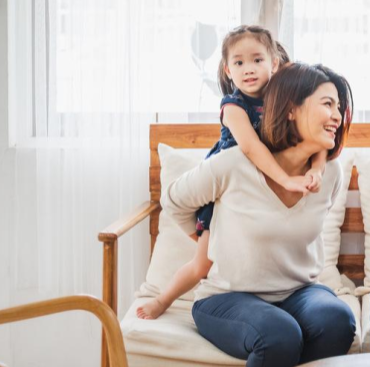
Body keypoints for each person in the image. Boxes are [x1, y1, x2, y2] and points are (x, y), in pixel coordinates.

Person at [159, 63, 356, 367]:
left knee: (338, 320)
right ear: (291, 110)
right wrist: (206, 239)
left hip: (297, 293)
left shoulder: (330, 172)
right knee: (278, 334)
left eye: (339, 107)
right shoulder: (234, 164)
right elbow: (174, 201)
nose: (337, 116)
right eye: (328, 104)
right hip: (226, 298)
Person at [137, 25, 323, 320]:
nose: (248, 69)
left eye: (257, 60)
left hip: (258, 195)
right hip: (226, 191)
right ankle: (163, 300)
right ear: (227, 69)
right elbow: (249, 147)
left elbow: (319, 138)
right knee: (203, 263)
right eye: (239, 62)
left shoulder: (284, 102)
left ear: (273, 63)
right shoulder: (233, 106)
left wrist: (317, 168)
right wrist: (286, 178)